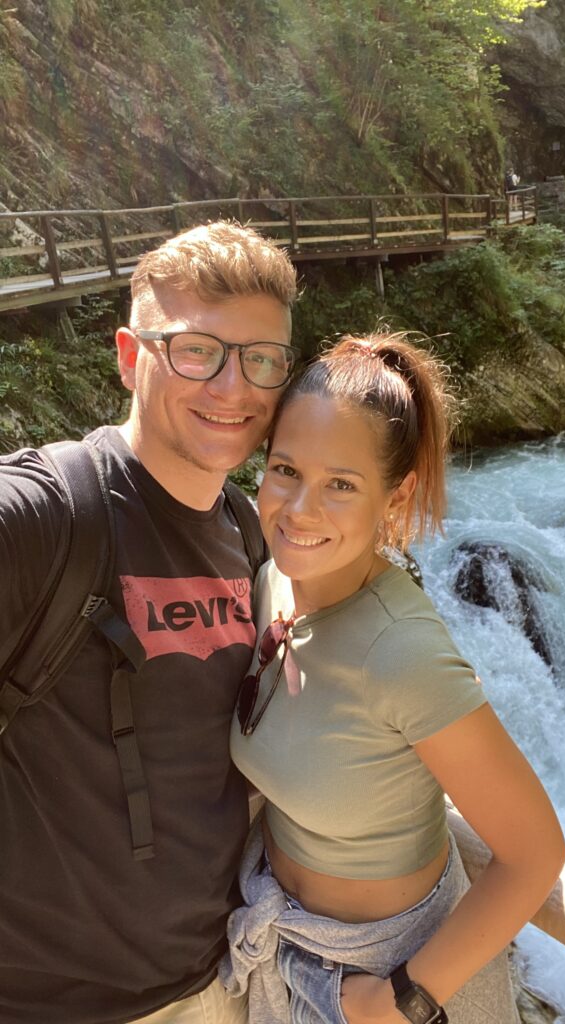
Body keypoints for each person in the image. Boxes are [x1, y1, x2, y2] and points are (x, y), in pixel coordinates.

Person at [0, 221, 298, 1024]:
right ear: (131, 358)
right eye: (196, 351)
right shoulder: (51, 515)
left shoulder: (248, 530)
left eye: (262, 359)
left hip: (219, 979)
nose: (233, 388)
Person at [221, 333, 565, 1024]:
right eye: (285, 469)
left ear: (395, 494)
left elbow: (535, 854)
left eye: (341, 484)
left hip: (386, 971)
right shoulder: (271, 583)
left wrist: (399, 1000)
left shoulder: (401, 652)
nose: (300, 509)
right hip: (280, 941)